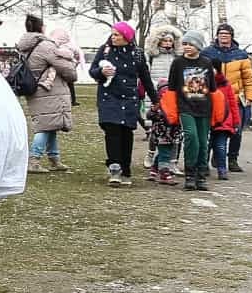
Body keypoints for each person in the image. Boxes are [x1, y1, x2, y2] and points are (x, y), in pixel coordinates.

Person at [89, 21, 155, 188]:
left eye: (117, 34)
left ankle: (125, 169)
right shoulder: (105, 51)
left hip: (129, 98)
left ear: (126, 37)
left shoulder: (137, 54)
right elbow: (92, 70)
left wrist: (156, 101)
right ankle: (114, 168)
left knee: (126, 133)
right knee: (112, 130)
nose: (113, 37)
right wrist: (101, 73)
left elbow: (145, 79)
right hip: (109, 97)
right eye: (112, 34)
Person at [162, 31, 224, 192]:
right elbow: (172, 88)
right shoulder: (178, 63)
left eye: (190, 44)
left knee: (203, 142)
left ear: (198, 46)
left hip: (204, 108)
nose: (187, 47)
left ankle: (200, 175)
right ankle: (190, 173)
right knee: (191, 137)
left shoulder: (206, 63)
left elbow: (212, 88)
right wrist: (172, 111)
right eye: (185, 44)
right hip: (185, 107)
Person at [19, 17, 78, 173]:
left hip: (34, 89)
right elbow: (67, 70)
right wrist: (73, 68)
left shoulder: (25, 46)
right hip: (48, 90)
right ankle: (34, 160)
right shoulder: (45, 46)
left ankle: (54, 159)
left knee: (50, 124)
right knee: (44, 127)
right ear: (42, 28)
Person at [202, 23, 252, 173]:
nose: (224, 36)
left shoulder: (241, 55)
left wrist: (250, 97)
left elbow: (249, 79)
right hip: (213, 96)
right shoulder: (207, 53)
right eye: (221, 33)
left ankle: (232, 159)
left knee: (236, 130)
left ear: (231, 36)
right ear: (217, 35)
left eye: (227, 34)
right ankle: (208, 159)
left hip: (235, 97)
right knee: (211, 129)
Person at [143, 25, 183, 185]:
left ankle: (169, 163)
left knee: (174, 132)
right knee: (157, 130)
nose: (167, 43)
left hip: (173, 96)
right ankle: (152, 155)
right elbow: (146, 74)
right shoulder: (152, 56)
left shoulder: (177, 57)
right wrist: (157, 89)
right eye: (164, 40)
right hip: (156, 95)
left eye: (170, 41)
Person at [50, 27, 83, 107]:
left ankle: (71, 100)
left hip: (66, 68)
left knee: (68, 85)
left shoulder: (62, 47)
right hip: (67, 68)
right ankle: (71, 100)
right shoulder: (65, 47)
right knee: (68, 85)